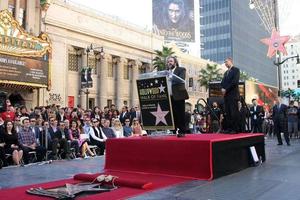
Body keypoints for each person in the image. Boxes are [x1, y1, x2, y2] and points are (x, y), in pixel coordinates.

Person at [167, 56, 189, 137]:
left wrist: (171, 76)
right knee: (172, 114)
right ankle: (173, 130)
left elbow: (181, 79)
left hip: (179, 95)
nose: (169, 63)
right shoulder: (166, 72)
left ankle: (182, 131)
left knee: (180, 114)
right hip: (169, 96)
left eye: (171, 61)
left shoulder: (181, 69)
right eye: (168, 61)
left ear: (175, 62)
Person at [221, 57, 240, 133]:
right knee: (228, 112)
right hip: (226, 96)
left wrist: (226, 89)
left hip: (233, 95)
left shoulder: (236, 70)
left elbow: (234, 82)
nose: (225, 63)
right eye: (224, 62)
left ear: (231, 61)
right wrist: (222, 88)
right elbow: (222, 82)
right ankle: (229, 128)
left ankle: (235, 129)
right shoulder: (226, 73)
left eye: (226, 62)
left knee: (233, 112)